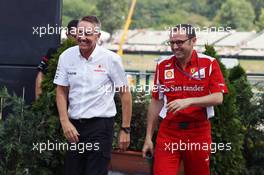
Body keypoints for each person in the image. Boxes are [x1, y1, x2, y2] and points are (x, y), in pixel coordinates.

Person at [142, 24, 228, 175]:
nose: (175, 47)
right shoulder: (162, 65)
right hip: (168, 131)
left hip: (198, 132)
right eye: (172, 43)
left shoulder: (209, 63)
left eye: (180, 42)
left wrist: (189, 101)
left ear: (193, 40)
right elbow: (156, 101)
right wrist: (148, 137)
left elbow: (218, 97)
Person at [53, 15, 132, 175]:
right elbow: (61, 90)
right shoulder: (66, 56)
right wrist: (65, 122)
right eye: (79, 32)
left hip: (100, 128)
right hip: (74, 127)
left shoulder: (111, 59)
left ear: (98, 35)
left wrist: (125, 129)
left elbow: (125, 94)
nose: (82, 37)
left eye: (88, 33)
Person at [35, 19, 79, 99]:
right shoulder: (54, 51)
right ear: (67, 34)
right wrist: (39, 100)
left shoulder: (87, 54)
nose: (76, 39)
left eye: (79, 36)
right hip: (55, 97)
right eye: (74, 36)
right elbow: (41, 74)